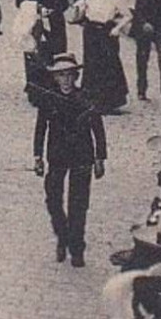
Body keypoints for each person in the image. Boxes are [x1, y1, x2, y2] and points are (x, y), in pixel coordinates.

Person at [32, 53, 108, 267]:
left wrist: (100, 157)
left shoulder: (85, 98)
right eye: (61, 76)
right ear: (55, 78)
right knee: (53, 199)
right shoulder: (48, 98)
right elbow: (40, 128)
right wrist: (37, 156)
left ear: (76, 76)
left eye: (69, 75)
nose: (65, 80)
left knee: (79, 203)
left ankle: (76, 248)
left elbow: (98, 128)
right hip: (57, 155)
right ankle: (62, 235)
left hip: (82, 155)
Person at [68, 0, 132, 113]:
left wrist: (117, 28)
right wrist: (76, 8)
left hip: (107, 32)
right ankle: (91, 100)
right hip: (91, 33)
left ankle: (110, 102)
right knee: (91, 65)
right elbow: (75, 14)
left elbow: (128, 15)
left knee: (109, 65)